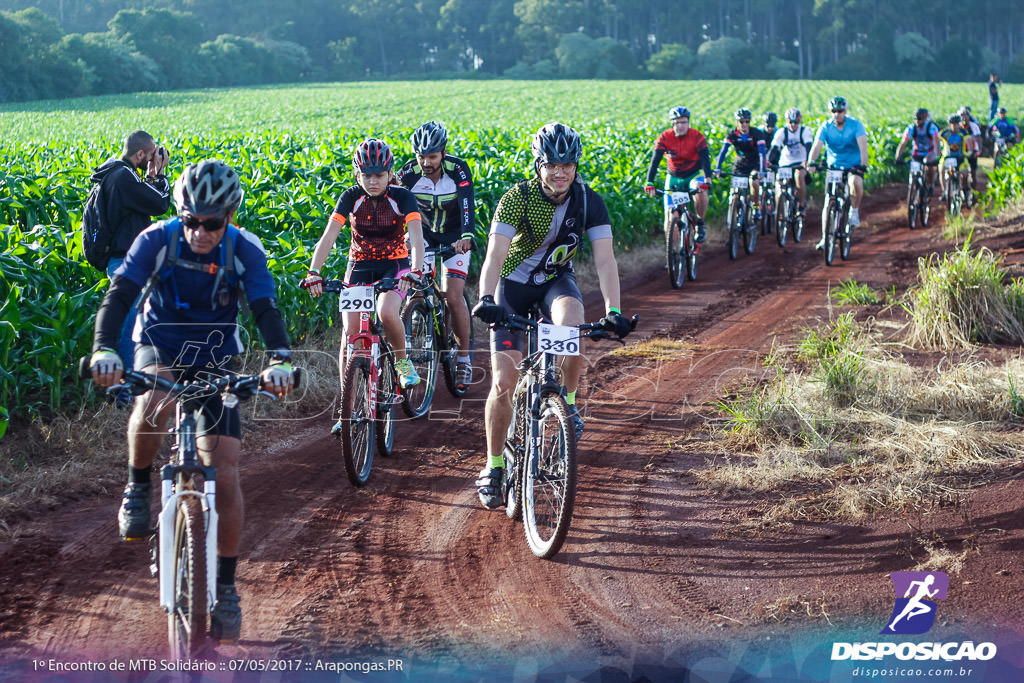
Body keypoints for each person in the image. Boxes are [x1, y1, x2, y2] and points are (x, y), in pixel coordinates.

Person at [88, 159, 296, 642]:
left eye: (212, 223)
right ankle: (138, 487)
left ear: (229, 216)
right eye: (192, 221)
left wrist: (280, 359)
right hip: (159, 342)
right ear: (180, 214)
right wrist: (103, 349)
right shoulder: (156, 240)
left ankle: (224, 588)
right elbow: (120, 295)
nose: (201, 232)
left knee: (224, 471)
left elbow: (264, 307)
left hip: (214, 353)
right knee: (155, 400)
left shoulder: (244, 249)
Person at [472, 122, 631, 509]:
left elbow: (606, 260)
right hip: (512, 287)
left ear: (576, 165)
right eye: (552, 164)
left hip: (555, 283)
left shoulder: (588, 201)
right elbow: (494, 256)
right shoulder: (517, 199)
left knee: (572, 322)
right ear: (538, 164)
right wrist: (486, 297)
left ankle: (569, 403)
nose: (560, 172)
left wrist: (614, 310)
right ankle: (493, 466)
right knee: (504, 380)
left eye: (568, 164)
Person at [303, 138, 425, 432]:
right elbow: (329, 236)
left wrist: (416, 270)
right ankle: (348, 405)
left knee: (386, 312)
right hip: (359, 265)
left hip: (395, 265)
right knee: (351, 332)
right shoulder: (350, 197)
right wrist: (314, 272)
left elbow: (417, 237)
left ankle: (401, 363)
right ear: (357, 174)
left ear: (389, 174)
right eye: (366, 175)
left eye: (379, 175)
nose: (372, 181)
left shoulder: (402, 198)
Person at [89, 131, 171, 394]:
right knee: (128, 328)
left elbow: (144, 204)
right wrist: (159, 173)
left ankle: (129, 388)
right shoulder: (123, 176)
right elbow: (159, 204)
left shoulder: (115, 175)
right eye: (149, 155)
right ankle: (126, 393)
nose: (151, 159)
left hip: (122, 260)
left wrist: (149, 177)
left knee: (132, 323)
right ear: (140, 154)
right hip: (124, 261)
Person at [397, 121, 475, 391]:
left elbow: (467, 203)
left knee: (453, 296)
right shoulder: (407, 173)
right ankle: (419, 316)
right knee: (417, 288)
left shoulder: (458, 169)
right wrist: (402, 237)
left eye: (432, 156)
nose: (426, 162)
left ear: (442, 152)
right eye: (421, 157)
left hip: (454, 237)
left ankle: (463, 358)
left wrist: (467, 236)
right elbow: (395, 205)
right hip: (425, 237)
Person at [804, 96, 868, 248]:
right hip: (833, 167)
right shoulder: (825, 127)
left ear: (845, 111)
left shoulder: (855, 125)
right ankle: (825, 237)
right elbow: (817, 146)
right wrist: (811, 162)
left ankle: (854, 211)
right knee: (828, 202)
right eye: (834, 111)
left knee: (855, 182)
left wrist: (863, 165)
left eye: (840, 111)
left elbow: (863, 147)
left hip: (852, 165)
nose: (837, 114)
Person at [644, 106, 713, 242]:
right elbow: (655, 161)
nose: (680, 126)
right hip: (674, 177)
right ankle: (673, 256)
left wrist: (708, 179)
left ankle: (700, 223)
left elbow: (705, 160)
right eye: (676, 122)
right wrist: (650, 182)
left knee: (700, 191)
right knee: (669, 221)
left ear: (688, 123)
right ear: (672, 124)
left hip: (693, 174)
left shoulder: (697, 136)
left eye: (683, 122)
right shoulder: (665, 137)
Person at [714, 108, 768, 220]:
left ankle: (756, 207)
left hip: (754, 164)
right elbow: (723, 151)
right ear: (737, 122)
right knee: (734, 191)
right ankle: (734, 212)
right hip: (740, 165)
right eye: (741, 122)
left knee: (754, 182)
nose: (744, 124)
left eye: (747, 121)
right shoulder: (732, 134)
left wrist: (762, 170)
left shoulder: (756, 133)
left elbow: (762, 153)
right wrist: (717, 168)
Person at [894, 108, 941, 197]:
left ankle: (931, 185)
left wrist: (937, 157)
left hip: (929, 152)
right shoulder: (911, 128)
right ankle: (914, 187)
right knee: (914, 170)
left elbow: (936, 142)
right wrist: (897, 157)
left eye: (919, 119)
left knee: (929, 166)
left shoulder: (931, 127)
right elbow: (903, 143)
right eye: (915, 119)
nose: (917, 121)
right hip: (917, 153)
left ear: (924, 119)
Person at [939, 113, 976, 200]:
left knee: (965, 173)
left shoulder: (963, 132)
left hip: (960, 157)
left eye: (956, 124)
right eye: (953, 124)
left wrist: (970, 152)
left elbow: (968, 142)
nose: (955, 126)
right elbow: (936, 140)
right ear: (949, 124)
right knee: (941, 170)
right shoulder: (944, 133)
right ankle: (945, 191)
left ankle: (965, 189)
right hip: (947, 157)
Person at [959, 106, 982, 190]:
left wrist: (979, 150)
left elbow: (978, 138)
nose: (964, 118)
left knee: (972, 172)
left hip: (972, 151)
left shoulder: (974, 126)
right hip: (960, 151)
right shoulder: (957, 126)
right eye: (962, 115)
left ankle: (973, 191)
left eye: (965, 115)